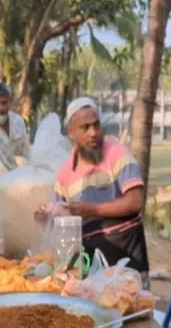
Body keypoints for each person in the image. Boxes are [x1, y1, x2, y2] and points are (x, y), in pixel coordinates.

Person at [35, 97, 150, 276]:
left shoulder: (118, 155)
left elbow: (135, 202)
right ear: (71, 132)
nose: (93, 133)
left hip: (128, 257)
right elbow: (60, 219)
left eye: (96, 125)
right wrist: (45, 217)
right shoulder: (64, 174)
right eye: (85, 127)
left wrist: (91, 210)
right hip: (87, 264)